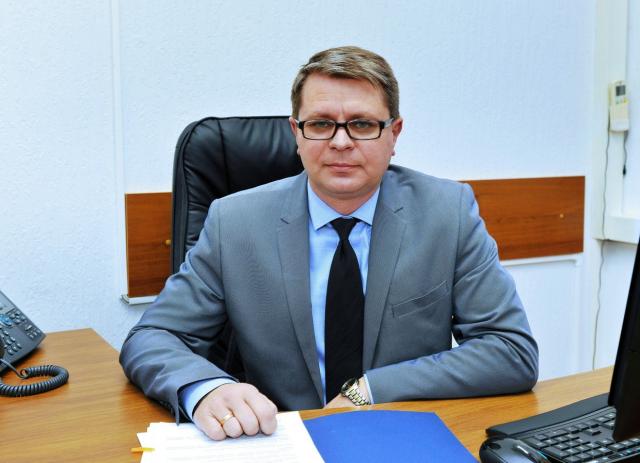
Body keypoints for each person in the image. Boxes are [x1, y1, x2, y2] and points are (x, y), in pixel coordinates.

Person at [120, 45, 538, 441]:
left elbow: (510, 350)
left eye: (362, 124)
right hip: (279, 439)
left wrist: (371, 389)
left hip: (399, 435)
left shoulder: (447, 213)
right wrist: (206, 389)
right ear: (296, 133)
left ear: (394, 134)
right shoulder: (235, 223)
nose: (340, 142)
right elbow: (153, 337)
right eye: (321, 124)